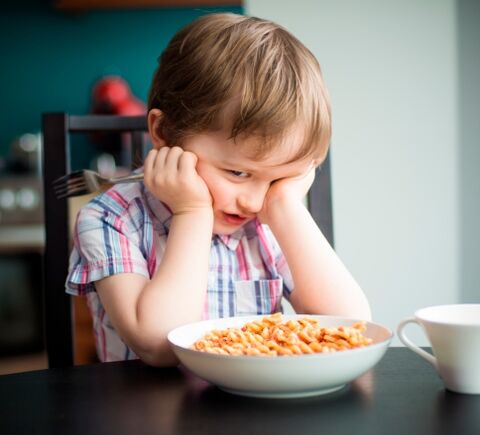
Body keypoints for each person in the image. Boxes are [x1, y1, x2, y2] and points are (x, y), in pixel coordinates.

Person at [66, 13, 371, 367]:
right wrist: (191, 213)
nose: (255, 201)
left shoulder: (269, 218)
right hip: (145, 415)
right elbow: (158, 345)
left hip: (255, 410)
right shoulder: (110, 219)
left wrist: (287, 205)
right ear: (163, 134)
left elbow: (351, 327)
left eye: (276, 179)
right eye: (238, 172)